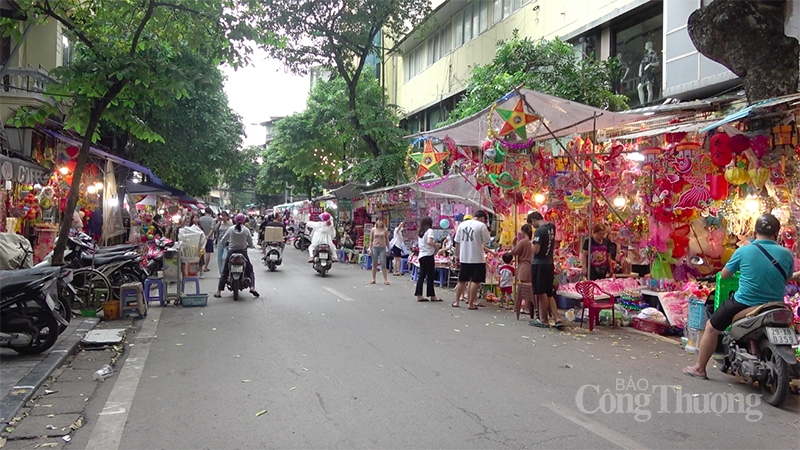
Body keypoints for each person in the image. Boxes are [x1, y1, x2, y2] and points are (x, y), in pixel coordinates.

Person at [684, 214, 795, 380]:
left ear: (754, 231)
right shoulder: (786, 254)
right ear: (777, 233)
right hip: (776, 305)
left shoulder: (744, 250)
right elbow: (786, 279)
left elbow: (725, 275)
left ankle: (700, 368)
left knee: (711, 327)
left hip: (744, 303)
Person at [528, 211, 565, 329]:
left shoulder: (539, 231)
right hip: (549, 263)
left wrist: (531, 244)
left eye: (532, 224)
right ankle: (557, 318)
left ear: (534, 220)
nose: (533, 227)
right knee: (549, 293)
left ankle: (543, 320)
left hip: (539, 264)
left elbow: (536, 250)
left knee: (541, 293)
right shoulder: (551, 227)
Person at [452, 210, 492, 310]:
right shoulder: (481, 226)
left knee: (462, 280)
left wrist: (457, 255)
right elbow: (487, 240)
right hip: (477, 258)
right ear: (483, 218)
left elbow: (457, 242)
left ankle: (456, 301)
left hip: (464, 257)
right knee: (475, 281)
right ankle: (471, 303)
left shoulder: (462, 225)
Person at [214, 213, 259, 298]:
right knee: (250, 270)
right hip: (243, 252)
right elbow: (250, 243)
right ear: (243, 220)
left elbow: (223, 240)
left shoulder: (231, 229)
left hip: (231, 252)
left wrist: (226, 243)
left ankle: (219, 292)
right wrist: (251, 246)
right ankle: (252, 287)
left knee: (225, 271)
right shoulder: (246, 230)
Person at [415, 217, 441, 302]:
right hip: (428, 255)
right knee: (430, 276)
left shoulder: (421, 232)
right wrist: (436, 245)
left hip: (422, 255)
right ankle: (432, 295)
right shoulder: (430, 231)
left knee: (422, 276)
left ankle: (419, 294)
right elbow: (429, 242)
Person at [511, 224, 534, 320]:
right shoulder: (532, 242)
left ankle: (526, 308)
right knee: (529, 289)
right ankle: (529, 308)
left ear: (523, 232)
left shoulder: (523, 242)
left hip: (524, 267)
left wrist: (513, 243)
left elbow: (514, 252)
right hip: (532, 267)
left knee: (524, 288)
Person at [370, 218, 390, 285]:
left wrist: (388, 248)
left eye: (381, 221)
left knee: (383, 263)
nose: (380, 222)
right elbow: (371, 240)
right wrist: (370, 249)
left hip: (382, 248)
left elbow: (387, 240)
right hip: (375, 247)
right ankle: (373, 279)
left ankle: (385, 279)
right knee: (374, 263)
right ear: (376, 222)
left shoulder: (385, 230)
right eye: (379, 221)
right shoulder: (373, 230)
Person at [213, 211, 233, 276]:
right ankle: (221, 272)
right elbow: (214, 229)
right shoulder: (219, 224)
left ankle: (225, 271)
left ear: (227, 217)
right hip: (220, 241)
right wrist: (215, 220)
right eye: (222, 216)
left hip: (227, 242)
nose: (223, 217)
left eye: (225, 216)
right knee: (219, 258)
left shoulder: (230, 224)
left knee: (224, 257)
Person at [199, 208, 215, 273]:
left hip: (201, 237)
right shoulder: (212, 220)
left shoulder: (200, 219)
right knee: (208, 252)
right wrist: (208, 236)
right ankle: (205, 267)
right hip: (210, 238)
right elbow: (213, 229)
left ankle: (200, 266)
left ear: (205, 212)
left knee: (200, 252)